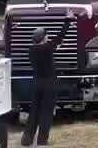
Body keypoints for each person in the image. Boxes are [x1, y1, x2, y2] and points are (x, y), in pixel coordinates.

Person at [22, 11, 77, 146]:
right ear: (44, 38)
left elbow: (56, 41)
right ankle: (42, 140)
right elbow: (60, 37)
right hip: (49, 84)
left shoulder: (31, 50)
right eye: (46, 35)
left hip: (37, 83)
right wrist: (67, 20)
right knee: (46, 113)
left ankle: (27, 139)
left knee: (34, 111)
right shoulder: (46, 49)